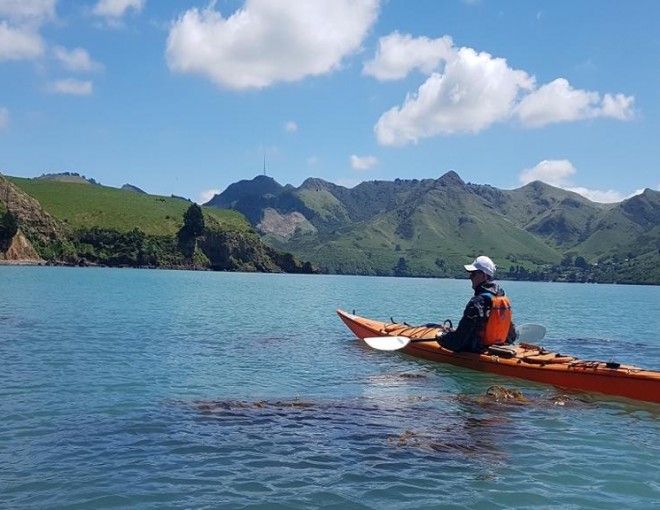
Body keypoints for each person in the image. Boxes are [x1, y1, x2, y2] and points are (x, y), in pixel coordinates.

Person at [437, 255, 514, 352]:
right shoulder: (503, 298)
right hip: (496, 347)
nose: (470, 277)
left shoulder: (477, 303)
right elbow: (512, 336)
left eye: (473, 274)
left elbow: (456, 343)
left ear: (483, 275)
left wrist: (442, 336)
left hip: (475, 350)